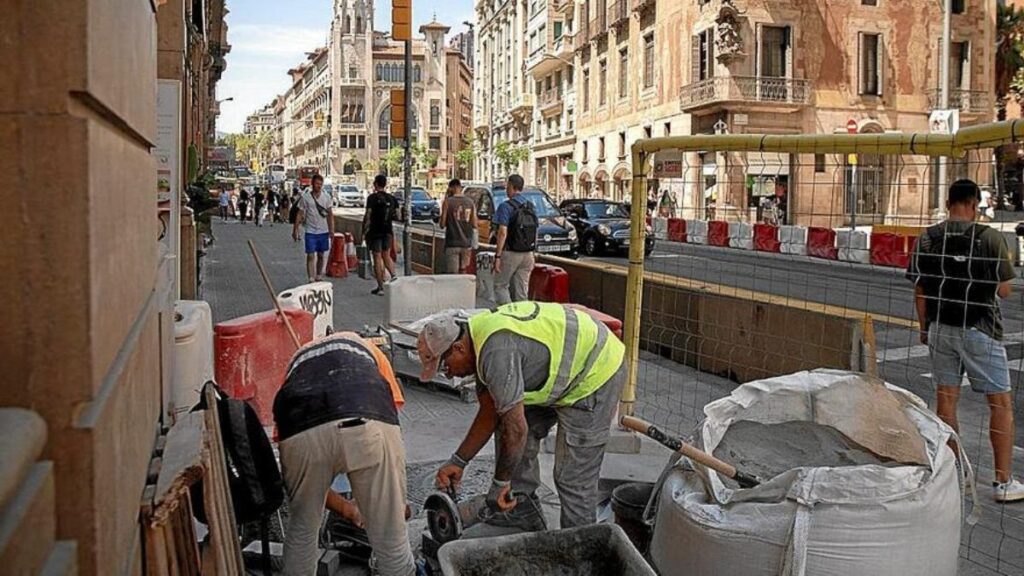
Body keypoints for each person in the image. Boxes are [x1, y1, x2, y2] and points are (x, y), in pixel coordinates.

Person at [416, 302, 627, 528]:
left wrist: (500, 482)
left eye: (445, 366)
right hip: (561, 372)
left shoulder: (496, 352)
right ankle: (522, 510)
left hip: (597, 371)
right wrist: (458, 461)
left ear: (458, 348)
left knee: (573, 478)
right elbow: (490, 414)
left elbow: (517, 430)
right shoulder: (478, 337)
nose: (448, 375)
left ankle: (582, 546)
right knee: (506, 424)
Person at [907, 178, 1024, 503]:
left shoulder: (928, 238)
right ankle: (1003, 481)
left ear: (947, 204)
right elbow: (1004, 289)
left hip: (941, 327)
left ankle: (953, 475)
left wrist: (924, 327)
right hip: (981, 329)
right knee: (999, 403)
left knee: (946, 402)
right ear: (975, 204)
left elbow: (920, 289)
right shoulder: (989, 237)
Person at [274, 332, 415, 576]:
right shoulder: (370, 351)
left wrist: (348, 508)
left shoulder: (296, 365)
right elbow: (389, 422)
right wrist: (390, 504)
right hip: (366, 417)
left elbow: (306, 475)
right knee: (392, 539)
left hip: (300, 428)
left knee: (303, 528)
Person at [492, 174, 538, 304]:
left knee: (500, 286)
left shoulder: (505, 206)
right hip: (528, 254)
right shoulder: (530, 206)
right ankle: (522, 319)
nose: (506, 189)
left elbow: (502, 232)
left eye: (507, 186)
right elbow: (535, 229)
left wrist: (498, 257)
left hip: (510, 253)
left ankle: (508, 315)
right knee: (522, 291)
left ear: (511, 186)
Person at [292, 174, 335, 283]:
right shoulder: (306, 198)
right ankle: (311, 278)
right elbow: (300, 213)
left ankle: (319, 275)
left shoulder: (326, 197)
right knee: (311, 255)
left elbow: (330, 215)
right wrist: (295, 229)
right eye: (316, 184)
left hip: (323, 231)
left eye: (320, 184)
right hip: (310, 231)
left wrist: (331, 230)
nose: (318, 186)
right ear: (312, 184)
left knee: (321, 254)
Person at [363, 174, 398, 295]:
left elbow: (368, 215)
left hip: (375, 231)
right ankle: (395, 279)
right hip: (388, 231)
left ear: (376, 184)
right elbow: (398, 215)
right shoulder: (392, 199)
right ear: (385, 184)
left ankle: (380, 287)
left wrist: (364, 230)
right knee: (387, 256)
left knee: (377, 257)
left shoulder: (372, 198)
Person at [439, 178, 478, 274]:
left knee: (453, 275)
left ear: (451, 188)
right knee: (463, 272)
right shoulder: (470, 202)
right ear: (460, 188)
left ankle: (453, 289)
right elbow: (474, 224)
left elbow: (442, 224)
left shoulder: (447, 202)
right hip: (466, 243)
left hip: (452, 243)